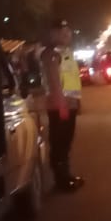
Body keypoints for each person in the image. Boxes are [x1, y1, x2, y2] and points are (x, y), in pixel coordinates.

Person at [41, 20, 84, 192]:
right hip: (60, 107)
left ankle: (66, 176)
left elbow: (72, 79)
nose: (67, 35)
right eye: (62, 32)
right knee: (60, 143)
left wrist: (77, 102)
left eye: (68, 32)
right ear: (53, 34)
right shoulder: (51, 54)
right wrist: (62, 106)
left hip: (69, 105)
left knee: (66, 142)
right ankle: (61, 180)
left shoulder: (66, 52)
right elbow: (54, 82)